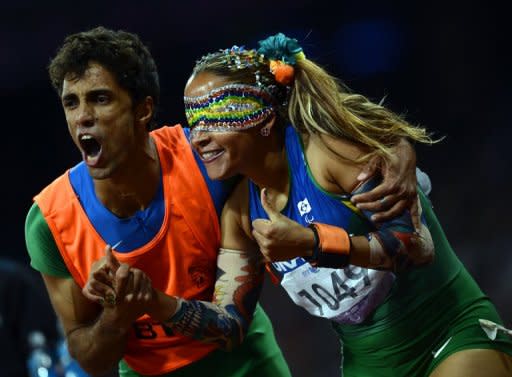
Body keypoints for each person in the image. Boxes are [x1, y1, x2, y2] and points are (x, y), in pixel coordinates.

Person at [85, 32, 512, 376]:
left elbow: (415, 246)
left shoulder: (326, 153)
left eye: (219, 117)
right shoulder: (240, 214)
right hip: (370, 365)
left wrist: (311, 242)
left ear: (265, 118)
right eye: (195, 121)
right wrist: (151, 302)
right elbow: (229, 325)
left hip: (448, 332)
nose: (200, 136)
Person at [24, 26, 293, 377]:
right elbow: (91, 360)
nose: (82, 117)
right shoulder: (49, 222)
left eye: (100, 98)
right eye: (71, 103)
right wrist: (116, 314)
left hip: (251, 366)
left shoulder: (209, 165)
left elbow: (231, 327)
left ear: (143, 109)